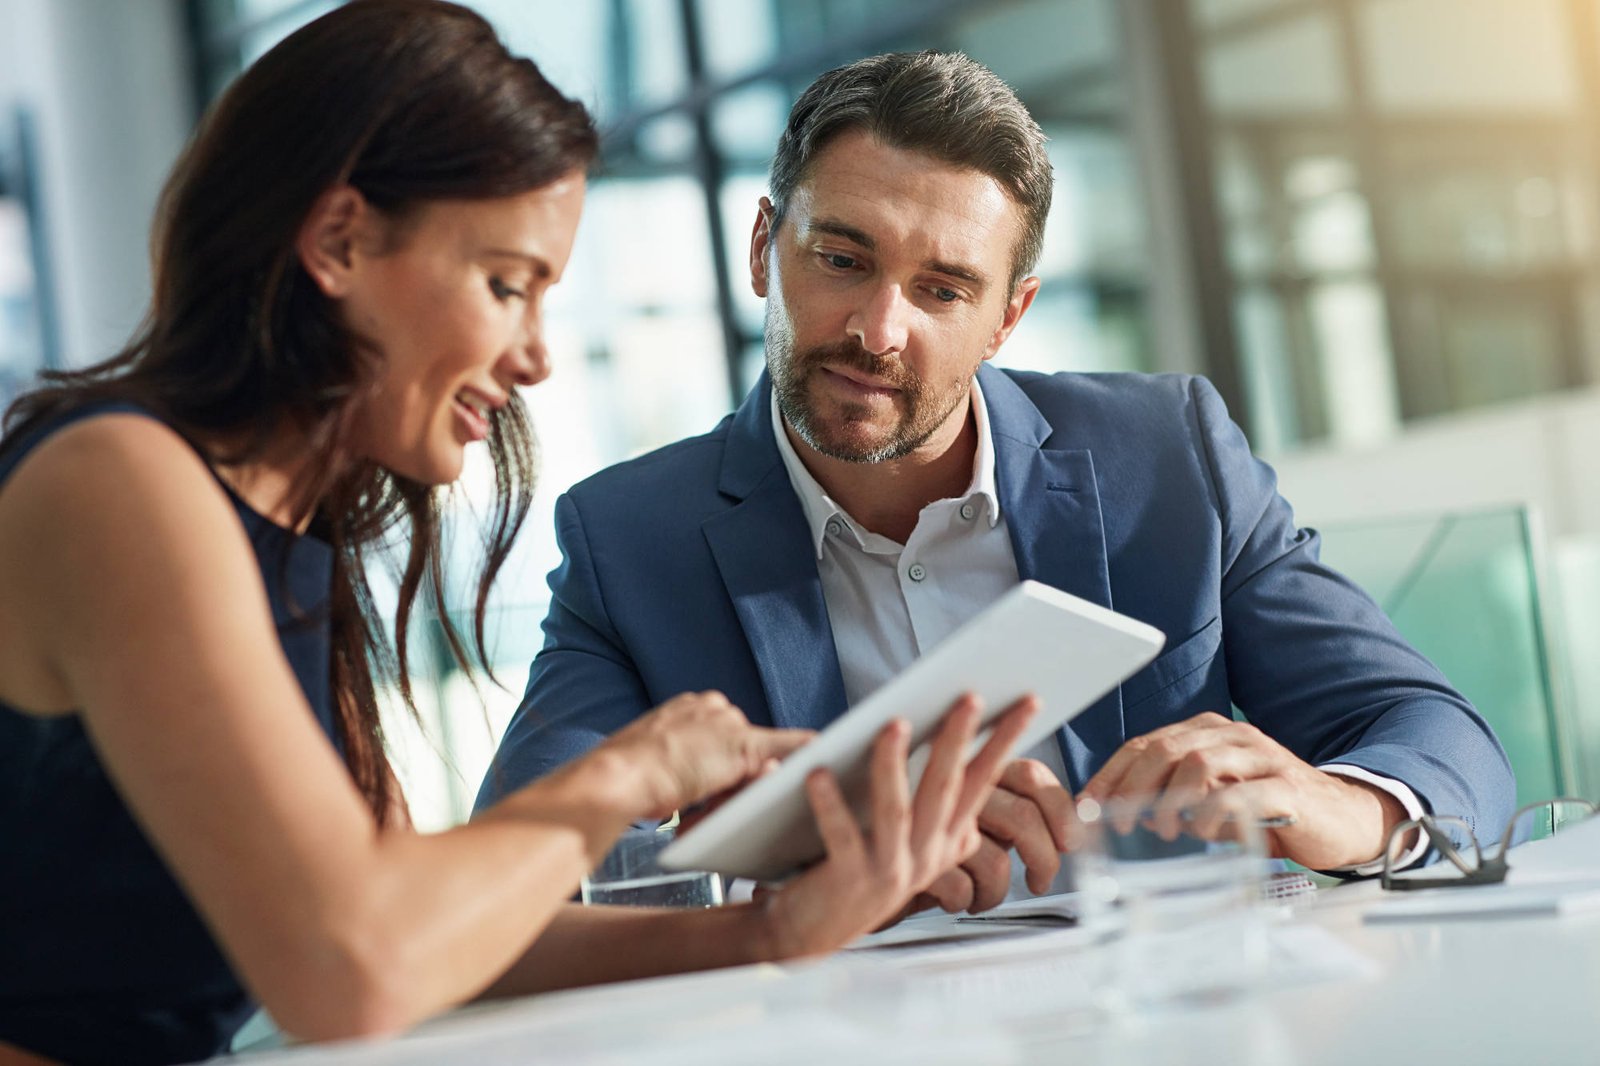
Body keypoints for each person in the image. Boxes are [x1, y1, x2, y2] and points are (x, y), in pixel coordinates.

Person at [0, 9, 1036, 1064]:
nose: (536, 357)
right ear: (338, 241)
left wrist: (769, 930)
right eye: (505, 285)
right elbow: (350, 969)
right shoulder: (119, 485)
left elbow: (424, 934)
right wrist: (628, 776)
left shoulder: (274, 529)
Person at [478, 51, 1516, 912]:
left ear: (1007, 317)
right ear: (762, 248)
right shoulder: (630, 540)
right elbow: (505, 885)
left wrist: (1336, 807)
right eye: (841, 259)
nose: (878, 330)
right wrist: (804, 873)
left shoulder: (1168, 458)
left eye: (941, 289)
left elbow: (1439, 740)